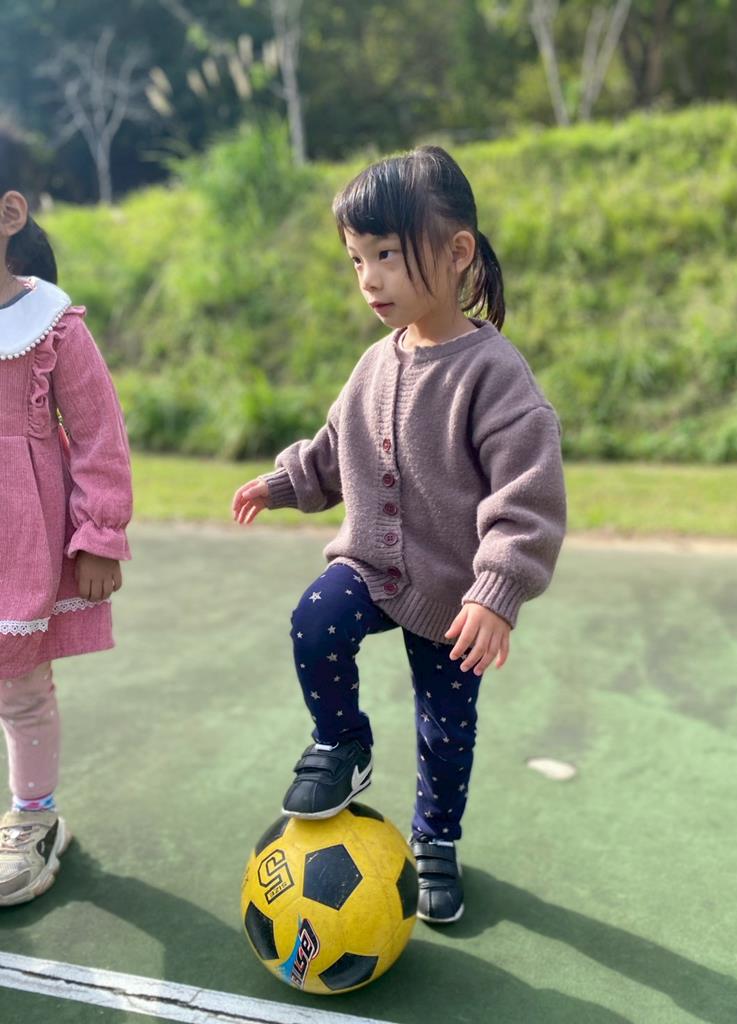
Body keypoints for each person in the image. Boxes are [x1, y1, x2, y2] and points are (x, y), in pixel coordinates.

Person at [232, 146, 566, 924]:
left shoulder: (494, 374)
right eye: (356, 260)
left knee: (446, 728)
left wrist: (495, 593)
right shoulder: (372, 364)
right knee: (316, 619)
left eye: (385, 254)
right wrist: (282, 483)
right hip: (370, 567)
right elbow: (334, 447)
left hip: (453, 593)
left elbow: (526, 497)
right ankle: (340, 745)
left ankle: (435, 841)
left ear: (457, 252)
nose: (368, 279)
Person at [0, 153, 132, 906]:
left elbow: (98, 435)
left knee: (20, 687)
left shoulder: (52, 329)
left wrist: (99, 535)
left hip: (21, 541)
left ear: (9, 214)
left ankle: (34, 816)